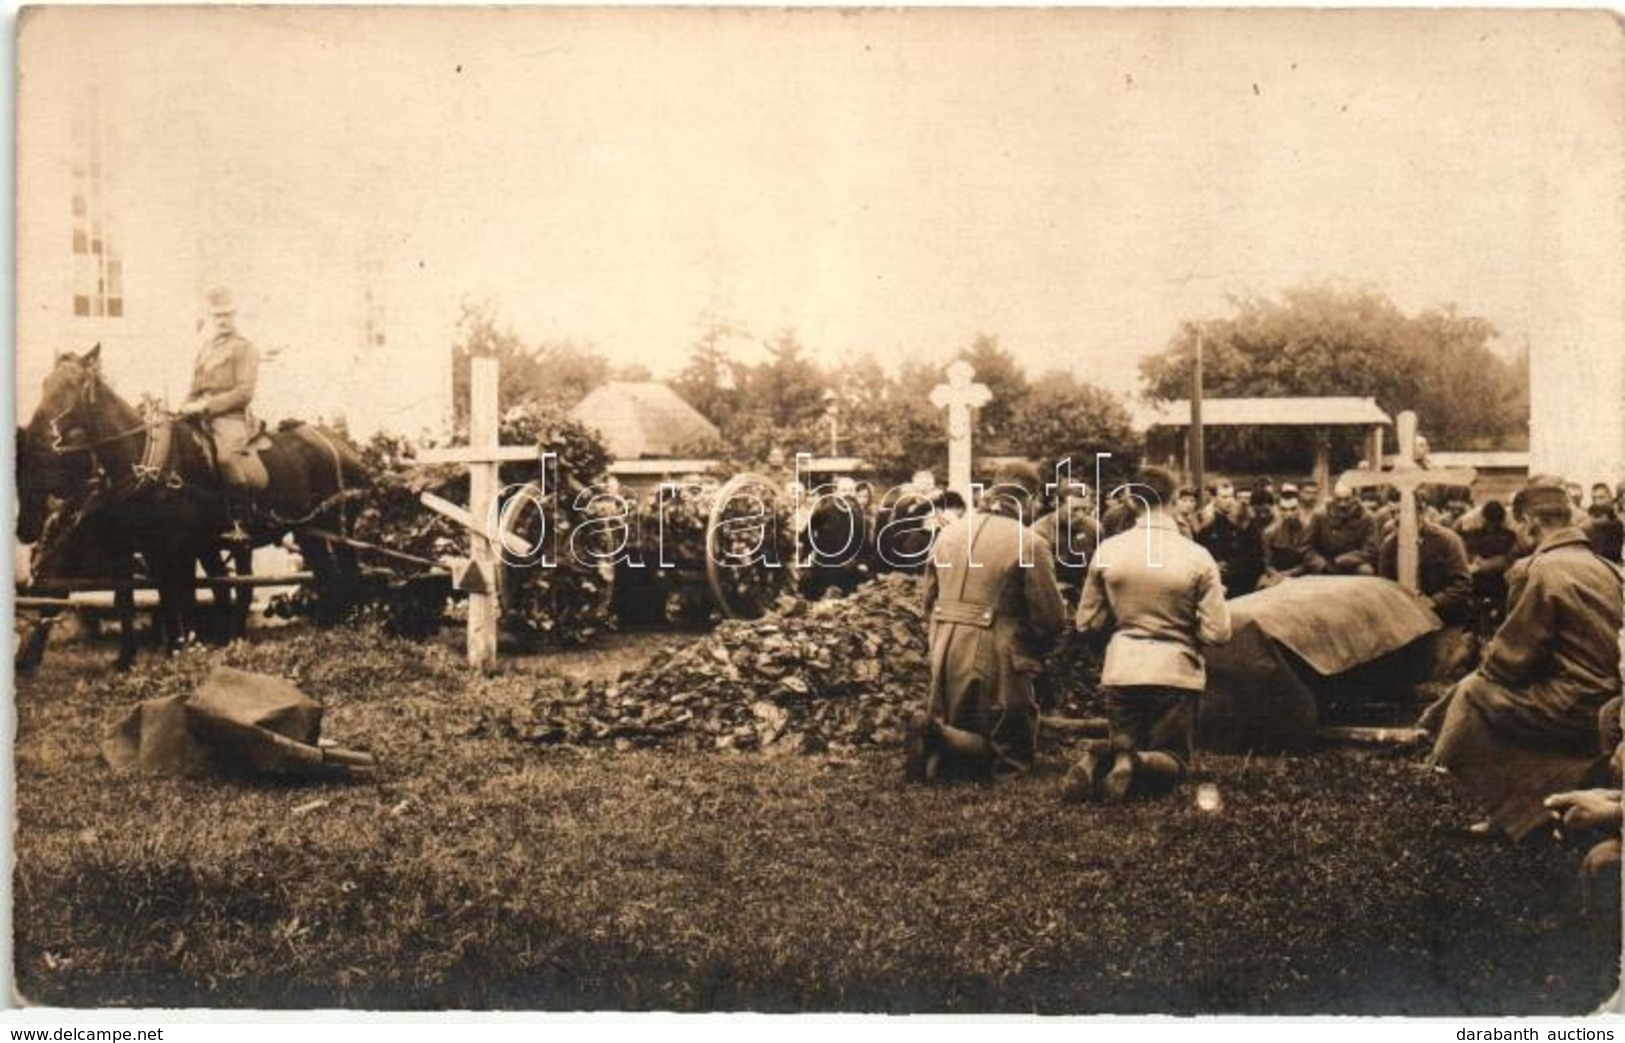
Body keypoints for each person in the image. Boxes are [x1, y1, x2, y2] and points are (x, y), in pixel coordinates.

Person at [1419, 480, 1625, 841]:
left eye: (1519, 527)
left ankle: (1518, 814)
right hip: (1610, 706)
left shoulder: (1536, 568)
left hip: (1570, 706)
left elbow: (1512, 662)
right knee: (1481, 695)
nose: (1517, 536)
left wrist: (1487, 660)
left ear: (1530, 523)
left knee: (1471, 692)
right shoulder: (1608, 567)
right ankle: (1531, 810)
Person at [1065, 466, 1232, 804]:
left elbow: (1086, 622)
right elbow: (1218, 633)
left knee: (1127, 737)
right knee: (1174, 759)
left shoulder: (1109, 550)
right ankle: (1134, 761)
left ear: (1131, 501)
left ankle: (1104, 753)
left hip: (1123, 666)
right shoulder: (1197, 556)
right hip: (1175, 671)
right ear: (1173, 500)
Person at [906, 461, 1066, 783]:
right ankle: (998, 768)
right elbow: (1050, 617)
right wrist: (1035, 652)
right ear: (1029, 498)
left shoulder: (948, 533)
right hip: (997, 648)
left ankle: (939, 737)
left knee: (960, 721)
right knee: (1011, 745)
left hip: (945, 646)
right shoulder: (1030, 542)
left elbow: (928, 600)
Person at [177, 287, 266, 543]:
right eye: (217, 316)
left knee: (226, 458)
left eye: (227, 315)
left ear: (234, 315)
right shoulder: (204, 349)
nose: (223, 320)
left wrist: (206, 407)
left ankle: (240, 522)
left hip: (231, 417)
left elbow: (244, 392)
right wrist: (184, 407)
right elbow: (194, 389)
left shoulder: (245, 348)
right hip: (199, 417)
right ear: (210, 318)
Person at [1375, 492, 1473, 626]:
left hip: (1443, 616)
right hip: (1404, 617)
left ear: (1420, 511)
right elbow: (1385, 586)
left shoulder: (1447, 540)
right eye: (1393, 513)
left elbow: (1463, 584)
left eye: (1403, 512)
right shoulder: (1389, 545)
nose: (1397, 518)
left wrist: (1433, 601)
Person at [1304, 483, 1376, 575]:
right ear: (1333, 498)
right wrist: (1321, 564)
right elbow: (1307, 547)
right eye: (1339, 500)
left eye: (1347, 499)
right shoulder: (1320, 516)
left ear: (1355, 498)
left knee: (1366, 571)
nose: (1343, 504)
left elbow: (1370, 550)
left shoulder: (1366, 517)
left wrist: (1344, 560)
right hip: (1326, 563)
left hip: (1354, 563)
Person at [1259, 482, 1312, 588]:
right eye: (1284, 509)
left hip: (1302, 576)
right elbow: (1266, 562)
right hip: (1276, 576)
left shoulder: (1308, 529)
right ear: (1278, 509)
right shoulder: (1269, 532)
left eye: (1293, 509)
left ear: (1299, 508)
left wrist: (1288, 574)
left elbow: (1308, 562)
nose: (1288, 514)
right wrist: (1277, 575)